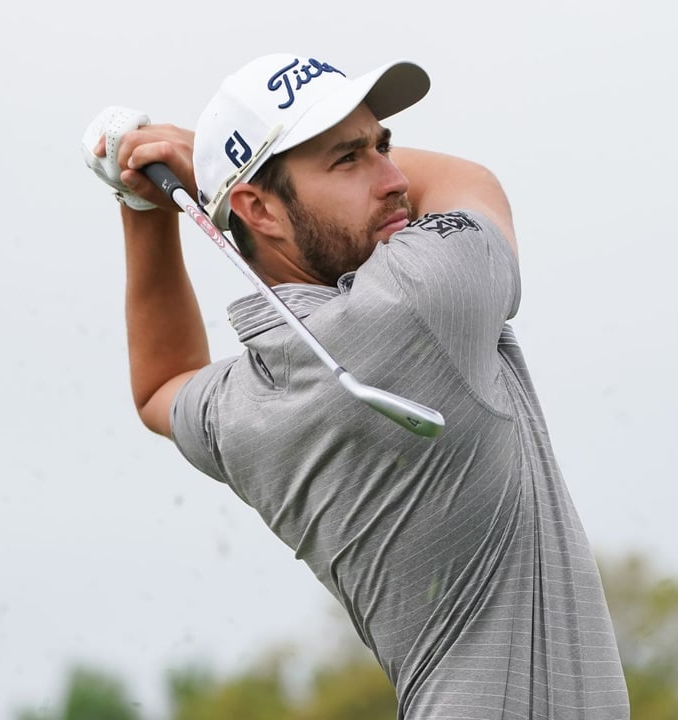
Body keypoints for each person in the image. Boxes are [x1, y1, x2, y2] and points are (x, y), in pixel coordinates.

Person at [83, 53, 630, 719]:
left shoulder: (248, 405)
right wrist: (200, 161)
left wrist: (143, 204)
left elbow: (160, 384)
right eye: (349, 160)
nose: (396, 179)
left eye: (384, 146)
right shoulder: (417, 302)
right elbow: (468, 179)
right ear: (261, 209)